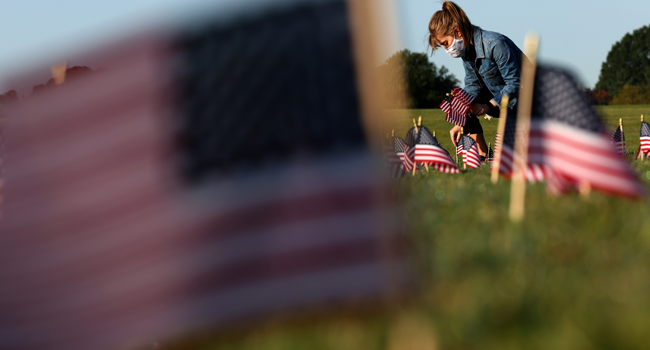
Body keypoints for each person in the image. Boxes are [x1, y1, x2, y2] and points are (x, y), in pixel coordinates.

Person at [428, 1, 524, 158]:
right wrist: (459, 120)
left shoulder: (494, 43)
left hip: (526, 103)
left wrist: (488, 105)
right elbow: (472, 86)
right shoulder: (467, 51)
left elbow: (516, 84)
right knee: (462, 101)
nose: (446, 49)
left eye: (445, 43)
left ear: (457, 31)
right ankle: (484, 157)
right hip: (503, 102)